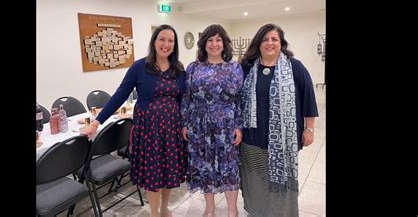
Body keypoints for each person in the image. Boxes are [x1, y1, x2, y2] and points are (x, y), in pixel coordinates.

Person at [82, 24, 186, 217]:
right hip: (149, 130)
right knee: (154, 173)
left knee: (168, 170)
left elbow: (183, 100)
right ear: (154, 42)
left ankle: (164, 208)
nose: (166, 44)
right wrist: (97, 122)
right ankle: (155, 212)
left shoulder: (179, 69)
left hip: (172, 129)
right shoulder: (140, 67)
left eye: (170, 40)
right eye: (162, 39)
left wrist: (185, 125)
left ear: (174, 45)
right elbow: (120, 95)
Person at [239, 23, 318, 217]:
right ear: (258, 44)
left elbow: (308, 98)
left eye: (274, 39)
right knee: (256, 179)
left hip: (284, 140)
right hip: (252, 138)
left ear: (281, 43)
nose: (269, 43)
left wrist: (309, 129)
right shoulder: (247, 68)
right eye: (265, 39)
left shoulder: (294, 67)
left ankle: (281, 213)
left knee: (280, 181)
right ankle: (256, 211)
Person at [181, 24, 244, 217]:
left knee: (228, 167)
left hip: (225, 125)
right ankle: (209, 208)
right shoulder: (193, 68)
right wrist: (185, 123)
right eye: (210, 40)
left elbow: (240, 99)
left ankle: (232, 210)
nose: (214, 44)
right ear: (204, 44)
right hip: (199, 125)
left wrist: (238, 126)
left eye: (218, 40)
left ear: (224, 44)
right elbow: (186, 97)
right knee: (204, 166)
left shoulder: (234, 67)